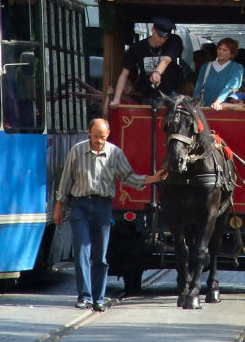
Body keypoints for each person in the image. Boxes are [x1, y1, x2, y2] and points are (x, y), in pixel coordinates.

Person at [53, 118, 167, 311]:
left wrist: (152, 179)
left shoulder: (114, 153)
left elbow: (128, 177)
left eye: (103, 137)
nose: (99, 141)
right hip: (80, 205)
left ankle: (99, 298)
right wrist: (59, 207)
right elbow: (66, 181)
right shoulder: (77, 151)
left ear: (108, 135)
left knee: (100, 256)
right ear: (89, 132)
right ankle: (84, 296)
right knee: (82, 251)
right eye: (96, 136)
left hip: (103, 207)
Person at [110, 17, 182, 107]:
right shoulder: (137, 48)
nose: (162, 40)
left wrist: (157, 73)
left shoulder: (174, 41)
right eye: (160, 36)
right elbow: (124, 74)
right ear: (153, 30)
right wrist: (116, 99)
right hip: (147, 98)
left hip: (170, 98)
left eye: (165, 37)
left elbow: (166, 60)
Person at [192, 37, 244, 110]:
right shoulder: (206, 67)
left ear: (232, 54)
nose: (220, 51)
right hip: (206, 109)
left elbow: (231, 86)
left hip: (228, 111)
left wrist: (218, 101)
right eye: (219, 48)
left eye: (224, 50)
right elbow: (198, 88)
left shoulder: (237, 68)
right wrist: (192, 105)